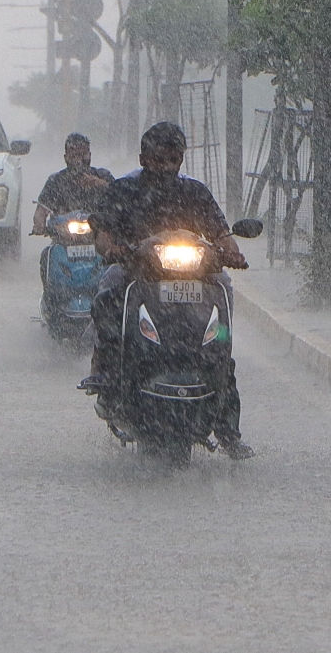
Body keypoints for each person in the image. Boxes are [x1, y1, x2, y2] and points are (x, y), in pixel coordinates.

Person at [83, 121, 254, 459]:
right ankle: (106, 368)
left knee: (224, 287)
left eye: (172, 159)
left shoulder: (195, 192)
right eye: (158, 159)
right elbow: (102, 232)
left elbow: (220, 233)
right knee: (108, 286)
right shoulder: (124, 189)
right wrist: (112, 249)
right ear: (143, 158)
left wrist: (232, 253)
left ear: (181, 159)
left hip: (194, 275)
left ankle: (226, 416)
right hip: (137, 271)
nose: (165, 166)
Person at [31, 133, 114, 284]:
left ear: (90, 155)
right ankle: (52, 296)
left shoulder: (103, 176)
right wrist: (39, 225)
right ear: (66, 157)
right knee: (47, 257)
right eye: (74, 155)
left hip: (99, 242)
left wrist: (101, 185)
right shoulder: (55, 181)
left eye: (83, 155)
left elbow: (120, 198)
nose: (79, 160)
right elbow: (41, 211)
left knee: (117, 265)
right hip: (64, 242)